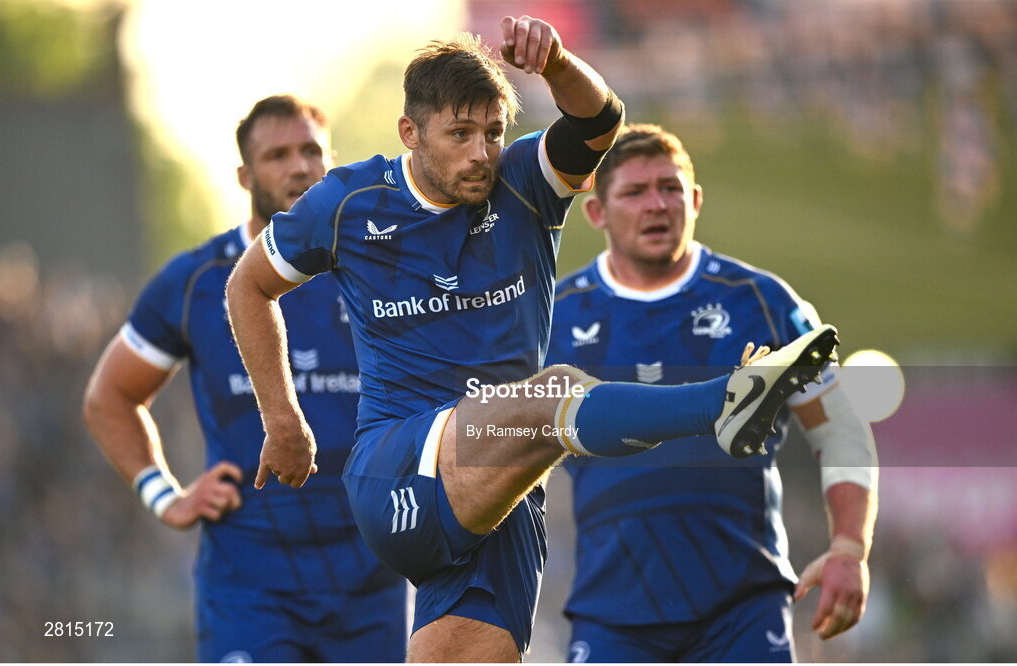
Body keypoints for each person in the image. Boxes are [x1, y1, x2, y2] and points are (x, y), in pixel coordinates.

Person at [225, 17, 838, 663]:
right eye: (459, 134)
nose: (480, 153)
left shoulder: (525, 184)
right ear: (410, 133)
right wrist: (282, 419)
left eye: (492, 132)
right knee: (557, 390)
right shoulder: (348, 202)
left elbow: (601, 120)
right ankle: (722, 403)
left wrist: (555, 64)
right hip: (399, 468)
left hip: (501, 498)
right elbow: (247, 286)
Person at [83, 95, 407, 662]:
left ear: (330, 162)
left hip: (370, 588)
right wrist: (165, 497)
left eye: (311, 151)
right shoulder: (196, 281)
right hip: (250, 591)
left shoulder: (380, 273)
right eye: (277, 154)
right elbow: (109, 398)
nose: (299, 167)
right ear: (244, 175)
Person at [546, 123, 879, 662]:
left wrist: (849, 546)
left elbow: (839, 428)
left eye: (670, 188)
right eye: (634, 192)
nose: (656, 204)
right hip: (611, 616)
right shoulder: (557, 318)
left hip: (743, 611)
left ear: (695, 200)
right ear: (597, 213)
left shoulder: (762, 301)